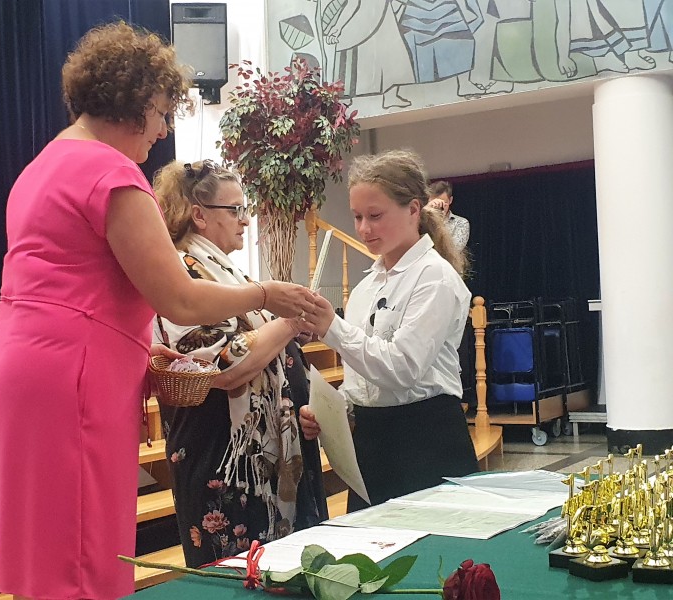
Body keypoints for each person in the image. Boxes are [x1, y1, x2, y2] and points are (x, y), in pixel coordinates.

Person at [0, 23, 316, 600]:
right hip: (71, 381)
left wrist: (134, 344)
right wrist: (266, 295)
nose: (163, 130)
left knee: (47, 564)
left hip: (22, 372)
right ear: (135, 102)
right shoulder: (109, 172)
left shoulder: (42, 166)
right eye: (162, 113)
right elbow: (178, 298)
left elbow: (72, 289)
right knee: (81, 568)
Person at [152, 159, 328, 567]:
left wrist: (291, 337)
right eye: (235, 210)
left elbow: (258, 346)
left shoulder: (226, 272)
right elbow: (221, 365)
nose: (246, 221)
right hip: (222, 458)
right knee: (236, 578)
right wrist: (289, 321)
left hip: (258, 458)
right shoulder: (182, 272)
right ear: (199, 215)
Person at [298, 150, 479, 513]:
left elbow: (402, 369)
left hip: (425, 441)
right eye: (357, 217)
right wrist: (333, 410)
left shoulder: (435, 278)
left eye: (375, 216)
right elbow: (363, 379)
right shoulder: (366, 287)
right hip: (372, 444)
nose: (364, 229)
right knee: (370, 549)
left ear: (413, 209)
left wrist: (332, 327)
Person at [428, 180, 470, 250]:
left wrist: (440, 221)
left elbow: (453, 250)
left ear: (450, 200)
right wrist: (427, 213)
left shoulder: (461, 223)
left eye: (443, 203)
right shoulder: (423, 221)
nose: (438, 206)